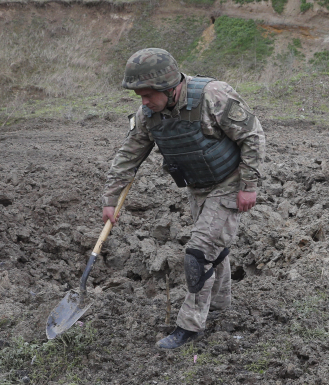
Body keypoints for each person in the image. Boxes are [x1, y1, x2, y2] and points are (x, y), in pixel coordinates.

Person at [101, 48, 266, 350]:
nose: (144, 102)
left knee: (199, 253)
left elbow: (252, 135)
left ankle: (189, 326)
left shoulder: (212, 96)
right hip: (198, 186)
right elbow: (128, 155)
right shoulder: (149, 116)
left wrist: (249, 185)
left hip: (230, 182)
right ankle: (219, 308)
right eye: (140, 96)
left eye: (148, 95)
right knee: (214, 248)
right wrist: (110, 199)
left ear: (168, 87)